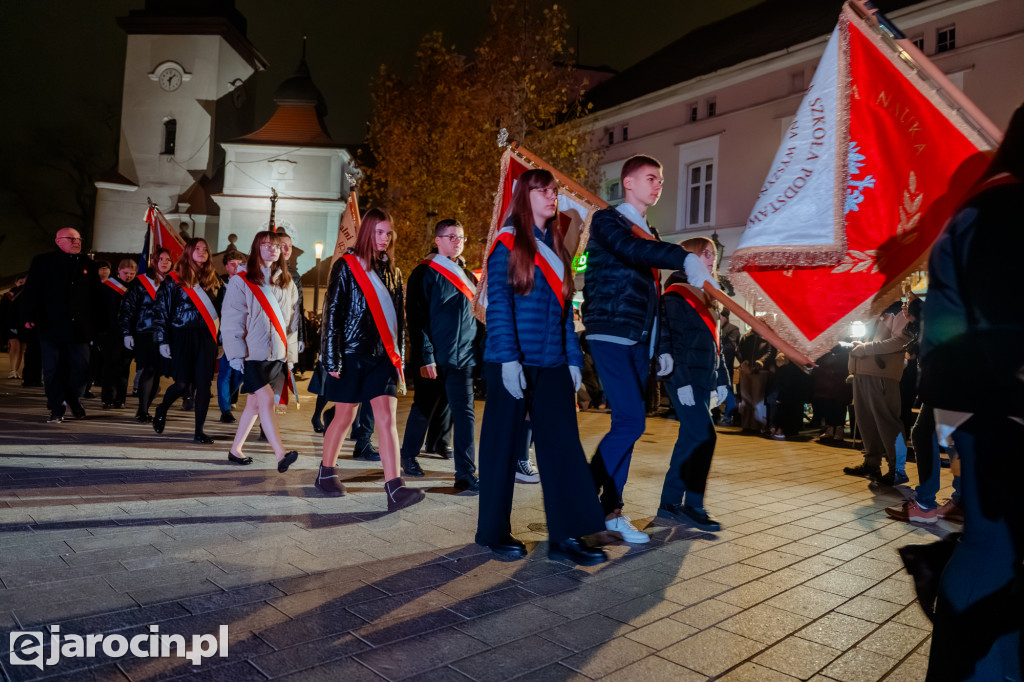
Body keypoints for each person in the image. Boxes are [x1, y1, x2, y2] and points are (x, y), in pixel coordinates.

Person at [916, 103, 1024, 682]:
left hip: (979, 401)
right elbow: (1003, 326)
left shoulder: (992, 204)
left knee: (993, 544)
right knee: (993, 547)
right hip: (997, 405)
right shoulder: (1005, 207)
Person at [476, 168, 607, 565]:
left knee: (563, 445)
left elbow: (565, 313)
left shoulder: (557, 248)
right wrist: (508, 359)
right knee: (502, 447)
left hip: (552, 363)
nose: (552, 197)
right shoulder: (507, 243)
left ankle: (566, 536)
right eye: (542, 191)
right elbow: (499, 305)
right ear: (524, 197)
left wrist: (572, 359)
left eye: (553, 191)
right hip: (511, 359)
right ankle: (493, 532)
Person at [582, 154, 709, 544]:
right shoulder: (609, 222)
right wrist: (683, 257)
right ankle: (581, 500)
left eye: (661, 180)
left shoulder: (649, 231)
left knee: (628, 426)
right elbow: (632, 252)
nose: (658, 185)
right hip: (611, 331)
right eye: (651, 178)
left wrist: (661, 343)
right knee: (631, 423)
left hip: (640, 339)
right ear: (628, 183)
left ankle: (611, 511)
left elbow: (653, 295)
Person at [315, 207, 424, 511]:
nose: (384, 238)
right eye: (378, 232)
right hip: (351, 354)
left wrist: (400, 360)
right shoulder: (346, 266)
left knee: (386, 420)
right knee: (344, 417)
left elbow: (398, 323)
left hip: (383, 358)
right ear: (366, 232)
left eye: (388, 233)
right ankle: (326, 473)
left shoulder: (394, 272)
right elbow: (332, 313)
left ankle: (395, 488)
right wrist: (332, 359)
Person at [400, 219, 483, 493]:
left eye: (461, 237)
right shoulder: (424, 272)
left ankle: (465, 474)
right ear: (438, 240)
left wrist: (478, 354)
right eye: (451, 237)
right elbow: (417, 319)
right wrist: (426, 357)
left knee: (465, 415)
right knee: (424, 407)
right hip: (435, 357)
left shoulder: (469, 277)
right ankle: (408, 455)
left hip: (464, 359)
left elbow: (477, 319)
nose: (457, 242)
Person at [656, 237, 730, 531]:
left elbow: (716, 346)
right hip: (684, 378)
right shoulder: (676, 294)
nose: (712, 258)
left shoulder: (709, 295)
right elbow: (670, 340)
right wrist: (681, 381)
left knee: (689, 439)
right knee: (705, 436)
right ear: (688, 257)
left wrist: (721, 380)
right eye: (705, 253)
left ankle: (670, 502)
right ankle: (694, 505)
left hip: (703, 379)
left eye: (713, 254)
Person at [221, 231, 300, 471]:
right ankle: (281, 455)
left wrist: (291, 355)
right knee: (265, 400)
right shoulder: (241, 280)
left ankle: (235, 450)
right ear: (256, 248)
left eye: (275, 246)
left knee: (254, 404)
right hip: (252, 355)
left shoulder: (287, 282)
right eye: (265, 245)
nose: (272, 249)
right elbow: (232, 319)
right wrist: (236, 354)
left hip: (277, 355)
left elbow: (291, 323)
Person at [21, 227, 102, 422]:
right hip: (51, 326)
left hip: (80, 328)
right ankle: (56, 406)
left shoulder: (88, 264)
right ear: (58, 241)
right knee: (52, 369)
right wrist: (28, 316)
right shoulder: (43, 262)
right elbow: (32, 290)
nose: (76, 242)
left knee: (82, 367)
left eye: (78, 239)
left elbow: (96, 297)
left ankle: (72, 398)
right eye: (71, 238)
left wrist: (100, 325)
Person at [151, 238, 222, 443]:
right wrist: (163, 340)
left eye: (205, 249)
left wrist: (221, 341)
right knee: (182, 384)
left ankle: (199, 431)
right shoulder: (174, 279)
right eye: (197, 248)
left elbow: (221, 312)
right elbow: (161, 311)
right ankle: (162, 408)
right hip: (181, 336)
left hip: (207, 337)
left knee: (204, 385)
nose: (202, 252)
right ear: (188, 252)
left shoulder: (214, 279)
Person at [842, 305, 914, 486]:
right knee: (866, 421)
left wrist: (866, 348)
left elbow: (901, 341)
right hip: (862, 372)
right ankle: (871, 463)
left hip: (882, 375)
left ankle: (897, 469)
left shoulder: (898, 311)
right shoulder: (872, 312)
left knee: (887, 423)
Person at [120, 248, 173, 422]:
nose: (164, 262)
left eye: (168, 259)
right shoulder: (141, 282)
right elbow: (127, 308)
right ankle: (142, 410)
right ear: (154, 261)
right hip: (145, 332)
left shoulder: (173, 282)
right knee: (150, 368)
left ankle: (145, 409)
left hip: (165, 335)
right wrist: (127, 333)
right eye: (161, 259)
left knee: (157, 372)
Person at [98, 258, 137, 409]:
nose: (128, 276)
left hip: (129, 333)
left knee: (125, 366)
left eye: (132, 273)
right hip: (110, 332)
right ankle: (108, 397)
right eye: (125, 273)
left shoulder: (136, 288)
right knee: (111, 364)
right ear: (118, 271)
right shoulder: (108, 287)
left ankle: (120, 399)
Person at [217, 250, 247, 423]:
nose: (236, 267)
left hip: (244, 335)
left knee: (240, 374)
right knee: (225, 372)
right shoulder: (219, 284)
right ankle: (225, 409)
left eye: (240, 264)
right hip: (225, 334)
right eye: (232, 264)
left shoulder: (249, 283)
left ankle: (230, 396)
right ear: (226, 266)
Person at [1, 275, 27, 379]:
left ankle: (16, 370)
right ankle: (12, 370)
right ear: (16, 283)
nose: (22, 285)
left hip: (23, 325)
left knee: (21, 349)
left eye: (24, 283)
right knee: (14, 346)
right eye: (20, 282)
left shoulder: (27, 295)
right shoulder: (8, 295)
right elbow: (3, 312)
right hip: (11, 324)